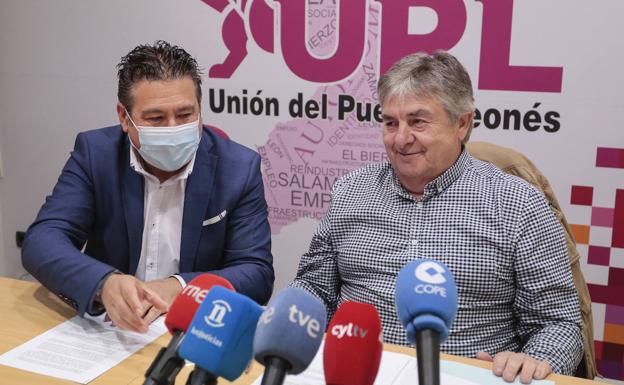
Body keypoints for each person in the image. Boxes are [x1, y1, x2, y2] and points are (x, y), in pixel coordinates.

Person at [291, 51, 583, 383]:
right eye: (390, 123)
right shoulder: (350, 191)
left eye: (417, 121)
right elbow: (315, 287)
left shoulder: (518, 204)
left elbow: (559, 324)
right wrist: (289, 314)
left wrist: (532, 361)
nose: (400, 139)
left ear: (462, 122)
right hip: (354, 371)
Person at [22, 40, 274, 334]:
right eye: (155, 118)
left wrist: (179, 287)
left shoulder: (238, 168)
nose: (172, 128)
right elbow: (42, 240)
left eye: (185, 115)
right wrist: (105, 284)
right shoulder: (96, 154)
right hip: (111, 330)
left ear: (200, 110)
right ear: (123, 118)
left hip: (196, 330)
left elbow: (256, 273)